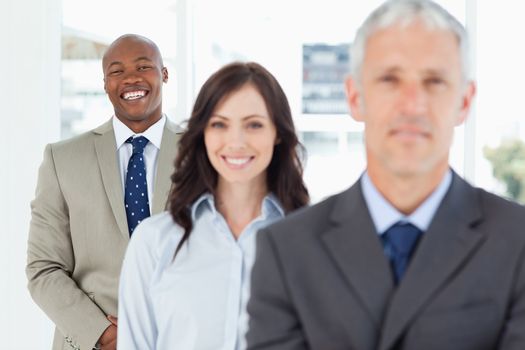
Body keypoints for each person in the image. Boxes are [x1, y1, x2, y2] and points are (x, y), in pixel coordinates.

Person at [246, 1, 525, 349]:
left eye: (434, 80)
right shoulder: (286, 250)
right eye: (390, 79)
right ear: (355, 97)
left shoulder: (517, 241)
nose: (412, 104)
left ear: (464, 102)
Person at [117, 61, 309, 350]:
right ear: (203, 133)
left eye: (254, 124)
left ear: (277, 132)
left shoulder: (311, 243)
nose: (236, 142)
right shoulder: (154, 241)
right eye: (220, 124)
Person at [26, 34, 183, 350]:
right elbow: (43, 267)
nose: (131, 78)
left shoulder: (202, 153)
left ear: (164, 74)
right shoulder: (63, 159)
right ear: (104, 83)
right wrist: (104, 334)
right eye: (116, 71)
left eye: (143, 66)